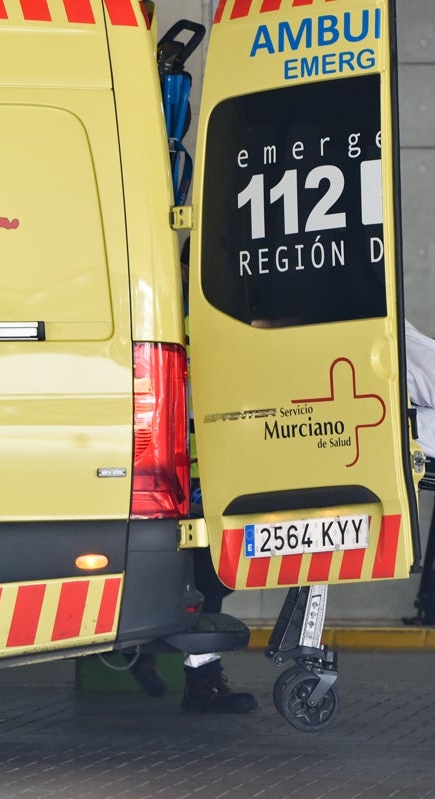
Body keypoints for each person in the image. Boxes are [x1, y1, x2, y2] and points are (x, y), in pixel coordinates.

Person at [130, 239, 257, 713]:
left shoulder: (200, 324)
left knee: (207, 578)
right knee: (204, 579)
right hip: (184, 478)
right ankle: (197, 680)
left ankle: (150, 653)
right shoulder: (186, 328)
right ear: (181, 268)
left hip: (201, 475)